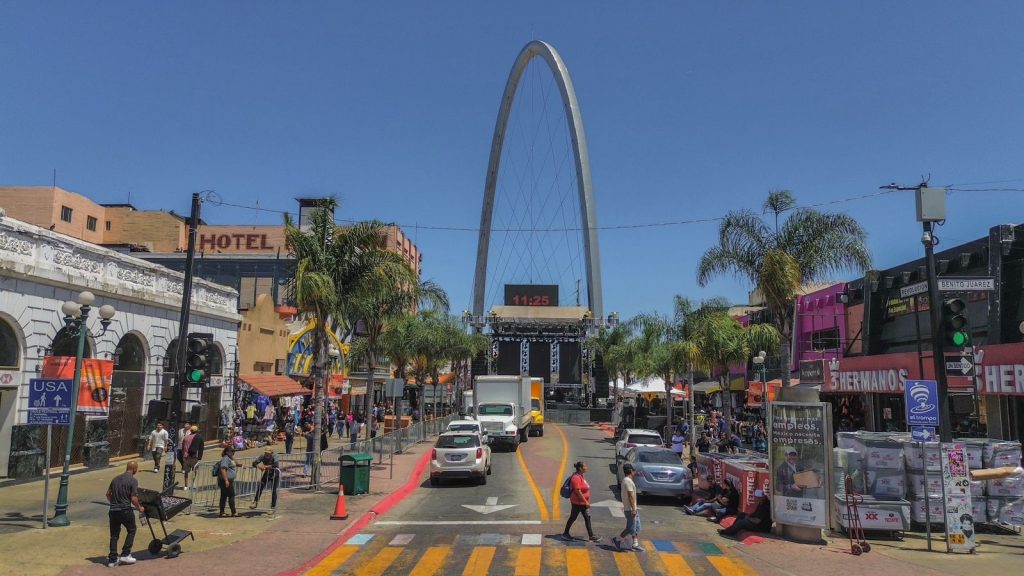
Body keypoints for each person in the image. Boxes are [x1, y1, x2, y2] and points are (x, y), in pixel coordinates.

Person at [105, 461, 145, 567]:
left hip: (113, 510)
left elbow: (108, 494)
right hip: (125, 510)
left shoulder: (115, 479)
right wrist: (139, 508)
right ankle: (125, 554)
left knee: (114, 535)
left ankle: (112, 560)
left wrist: (114, 503)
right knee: (132, 530)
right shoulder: (133, 481)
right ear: (135, 469)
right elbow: (133, 498)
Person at [562, 461, 600, 542]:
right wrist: (585, 501)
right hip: (578, 502)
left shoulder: (581, 476)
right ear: (580, 468)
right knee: (573, 517)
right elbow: (577, 491)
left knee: (587, 517)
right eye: (585, 466)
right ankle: (565, 533)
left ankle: (591, 536)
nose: (586, 468)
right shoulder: (576, 477)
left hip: (582, 502)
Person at [612, 463, 643, 552]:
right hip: (630, 509)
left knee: (637, 527)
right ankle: (617, 540)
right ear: (630, 471)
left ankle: (635, 544)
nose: (635, 472)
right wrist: (633, 509)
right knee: (630, 528)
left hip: (633, 508)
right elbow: (630, 496)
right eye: (633, 470)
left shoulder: (627, 480)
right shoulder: (628, 481)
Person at [216, 446, 239, 517]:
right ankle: (234, 512)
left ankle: (222, 512)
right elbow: (223, 469)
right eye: (232, 451)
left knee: (224, 496)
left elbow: (234, 464)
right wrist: (226, 480)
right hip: (225, 480)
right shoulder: (225, 458)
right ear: (227, 452)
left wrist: (241, 465)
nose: (233, 452)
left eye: (234, 451)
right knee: (231, 495)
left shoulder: (230, 458)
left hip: (227, 480)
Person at [182, 425, 204, 491]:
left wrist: (184, 454)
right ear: (197, 431)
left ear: (190, 431)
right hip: (194, 457)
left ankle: (185, 485)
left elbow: (182, 447)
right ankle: (193, 484)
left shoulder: (186, 437)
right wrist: (200, 457)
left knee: (186, 472)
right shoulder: (198, 437)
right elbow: (201, 448)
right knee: (194, 471)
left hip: (186, 457)